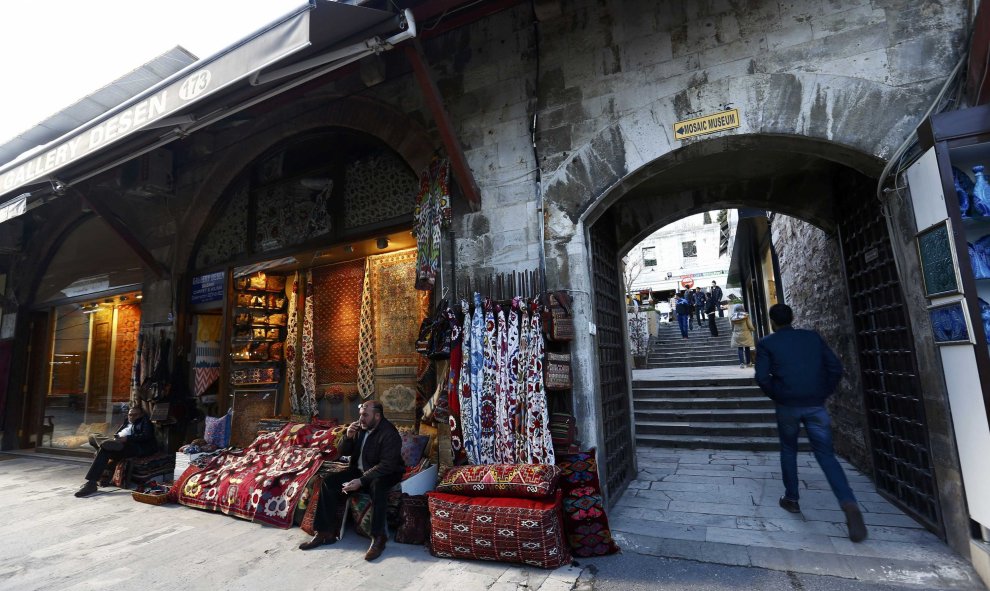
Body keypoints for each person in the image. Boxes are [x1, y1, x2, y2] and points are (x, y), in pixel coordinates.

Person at [755, 304, 867, 543]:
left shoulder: (767, 343)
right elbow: (835, 367)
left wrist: (779, 394)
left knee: (788, 449)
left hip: (788, 406)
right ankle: (848, 503)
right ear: (793, 318)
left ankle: (792, 499)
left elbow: (762, 377)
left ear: (772, 321)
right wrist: (822, 392)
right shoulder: (812, 338)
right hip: (816, 405)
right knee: (826, 455)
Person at [298, 400, 404, 560]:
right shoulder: (360, 428)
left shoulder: (389, 433)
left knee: (378, 487)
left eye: (365, 415)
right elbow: (342, 452)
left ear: (377, 415)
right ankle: (324, 533)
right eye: (360, 414)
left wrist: (361, 481)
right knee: (329, 482)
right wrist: (347, 437)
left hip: (385, 473)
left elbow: (387, 465)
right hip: (359, 470)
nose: (361, 419)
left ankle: (379, 538)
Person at [74, 405, 157, 497]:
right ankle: (105, 444)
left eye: (135, 415)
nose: (132, 417)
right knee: (93, 436)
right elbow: (117, 433)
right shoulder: (127, 422)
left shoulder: (145, 422)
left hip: (132, 447)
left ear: (141, 415)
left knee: (104, 449)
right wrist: (116, 438)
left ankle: (91, 484)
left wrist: (127, 439)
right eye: (130, 415)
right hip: (117, 444)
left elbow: (146, 436)